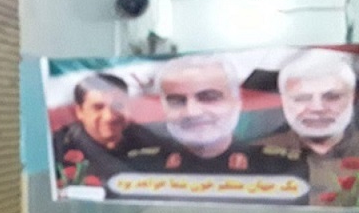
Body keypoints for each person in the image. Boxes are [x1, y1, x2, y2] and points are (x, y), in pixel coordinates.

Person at [128, 55, 301, 175]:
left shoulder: (278, 167)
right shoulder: (138, 167)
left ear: (237, 103)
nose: (192, 112)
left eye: (209, 97)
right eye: (177, 101)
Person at [257, 49, 359, 203]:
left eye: (332, 97)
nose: (317, 108)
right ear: (284, 101)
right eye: (302, 98)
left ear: (352, 98)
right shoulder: (255, 154)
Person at [52, 73, 152, 184]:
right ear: (79, 111)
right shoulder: (54, 150)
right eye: (98, 107)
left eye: (117, 106)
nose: (109, 117)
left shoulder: (151, 141)